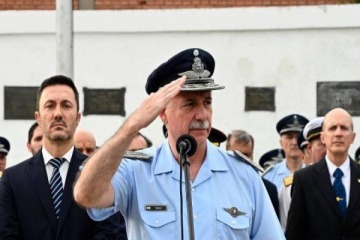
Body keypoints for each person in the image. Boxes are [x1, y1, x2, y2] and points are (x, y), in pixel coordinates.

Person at [74, 48, 284, 239]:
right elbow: (86, 195)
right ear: (163, 113)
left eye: (207, 102)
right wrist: (131, 127)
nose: (202, 114)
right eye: (189, 104)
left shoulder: (243, 174)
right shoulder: (137, 171)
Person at [0, 75, 126, 239]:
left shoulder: (99, 175)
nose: (58, 114)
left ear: (78, 117)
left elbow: (111, 233)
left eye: (66, 106)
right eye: (50, 106)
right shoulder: (12, 179)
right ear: (38, 118)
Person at [285, 108, 360, 240]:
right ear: (323, 137)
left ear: (353, 137)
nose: (338, 133)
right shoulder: (304, 180)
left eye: (344, 128)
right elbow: (294, 233)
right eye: (332, 128)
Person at [278, 117, 326, 231]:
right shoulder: (291, 185)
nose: (327, 149)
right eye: (321, 144)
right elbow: (286, 228)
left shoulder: (351, 177)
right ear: (310, 149)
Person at [226, 129, 280, 218]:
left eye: (246, 155)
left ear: (252, 155)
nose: (241, 160)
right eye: (236, 154)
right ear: (226, 153)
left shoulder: (268, 190)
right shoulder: (215, 185)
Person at [262, 114, 309, 191]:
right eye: (289, 137)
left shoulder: (315, 173)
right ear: (281, 143)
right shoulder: (269, 176)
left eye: (298, 137)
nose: (294, 142)